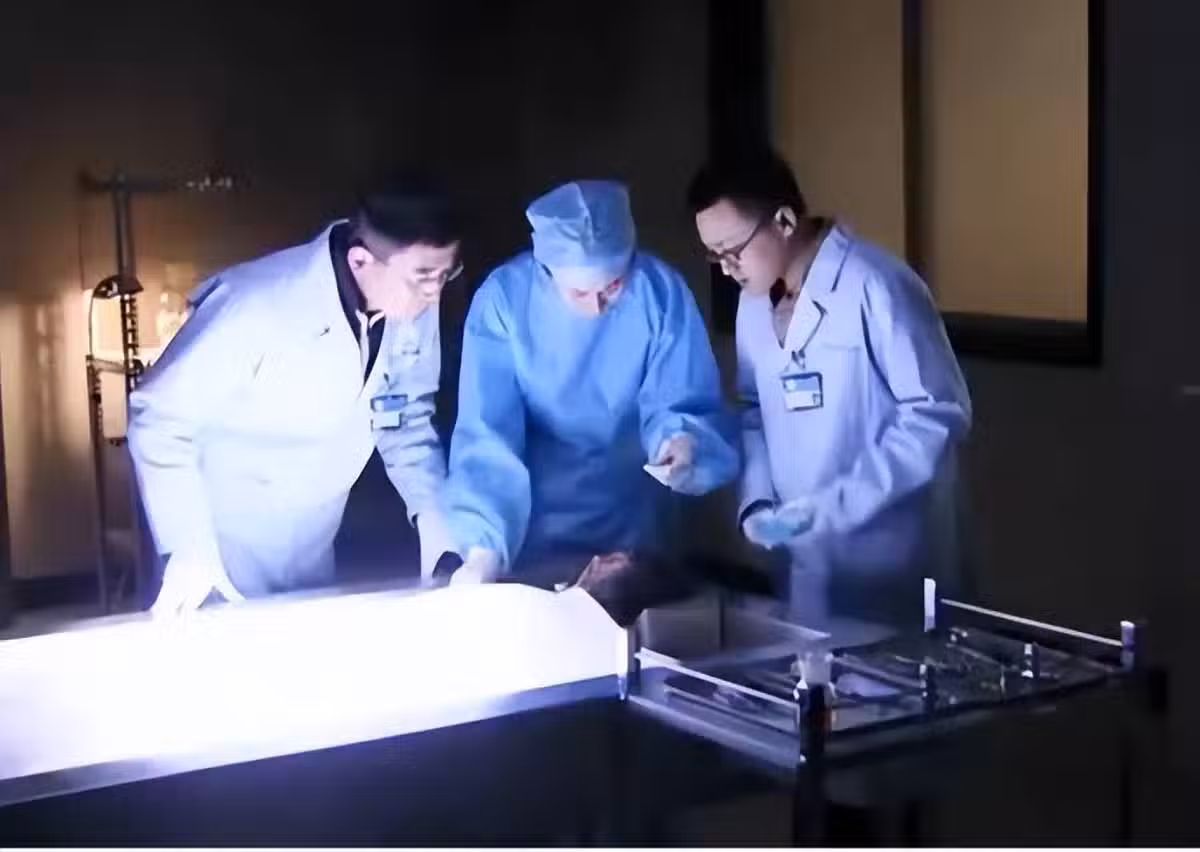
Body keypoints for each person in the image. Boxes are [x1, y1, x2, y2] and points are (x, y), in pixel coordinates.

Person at [127, 176, 464, 615]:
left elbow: (404, 421)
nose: (434, 293)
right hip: (220, 555)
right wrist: (187, 548)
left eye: (444, 275)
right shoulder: (256, 302)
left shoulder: (411, 304)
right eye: (422, 277)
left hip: (312, 549)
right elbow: (158, 415)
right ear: (361, 260)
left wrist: (438, 528)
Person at [686, 148, 973, 628]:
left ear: (783, 221)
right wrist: (758, 502)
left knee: (889, 669)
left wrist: (837, 503)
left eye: (733, 250)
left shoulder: (876, 284)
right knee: (811, 664)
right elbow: (754, 409)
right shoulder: (753, 304)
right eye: (714, 255)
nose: (726, 268)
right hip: (805, 563)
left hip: (891, 556)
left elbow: (937, 415)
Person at [440, 179, 739, 586]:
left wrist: (680, 442)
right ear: (546, 270)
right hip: (530, 528)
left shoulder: (659, 292)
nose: (597, 307)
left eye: (612, 287)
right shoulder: (504, 301)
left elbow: (679, 397)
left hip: (634, 526)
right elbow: (488, 433)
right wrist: (484, 550)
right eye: (579, 292)